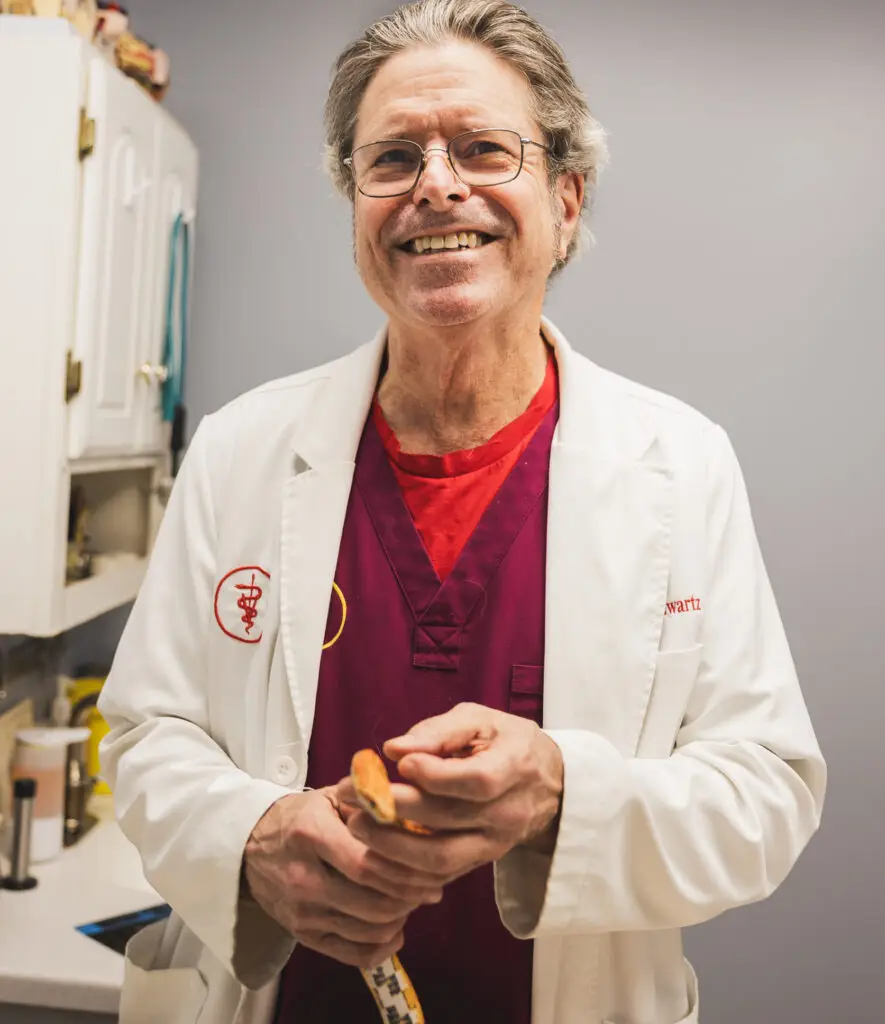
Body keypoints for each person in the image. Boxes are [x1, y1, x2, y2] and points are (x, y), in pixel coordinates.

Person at [97, 1, 827, 1022]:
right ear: (355, 207)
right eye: (390, 158)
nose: (436, 184)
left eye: (483, 148)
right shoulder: (239, 451)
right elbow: (142, 737)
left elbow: (765, 792)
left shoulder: (680, 464)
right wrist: (251, 837)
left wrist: (562, 790)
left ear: (566, 201)